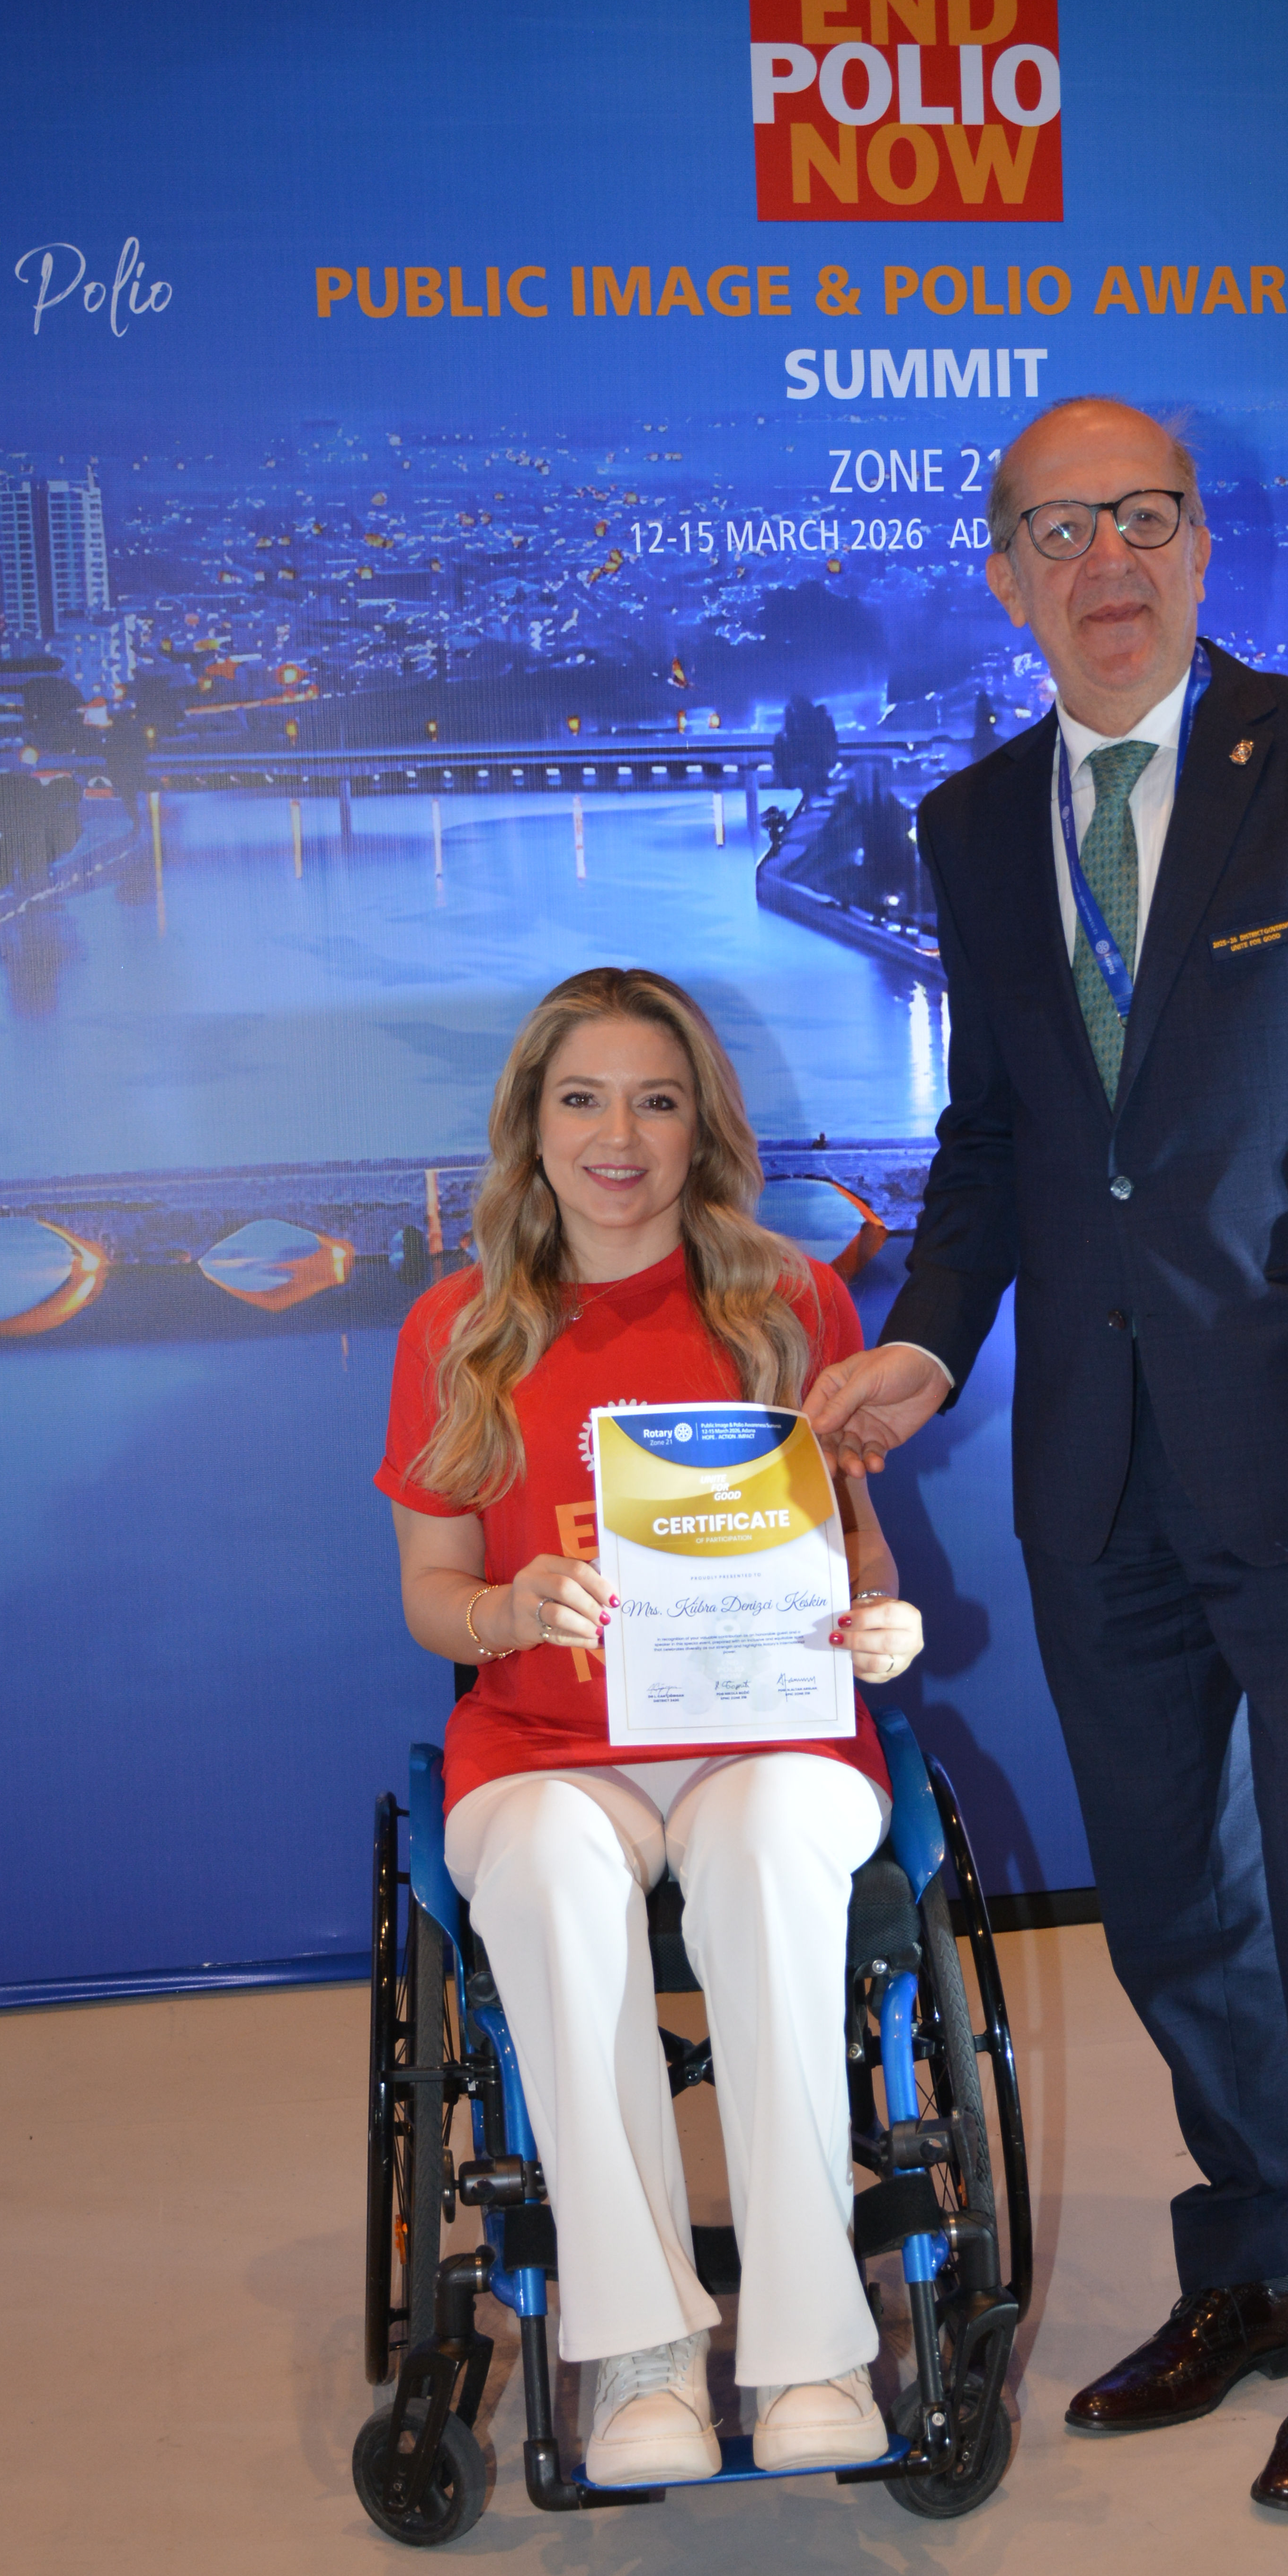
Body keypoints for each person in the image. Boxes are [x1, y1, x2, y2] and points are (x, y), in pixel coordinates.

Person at [804, 398, 1288, 2514]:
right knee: (1177, 1896)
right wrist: (927, 1341)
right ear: (1003, 577)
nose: (1107, 561)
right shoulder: (971, 820)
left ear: (1199, 549)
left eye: (1143, 519)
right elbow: (1000, 1140)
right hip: (1093, 1461)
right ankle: (1253, 2262)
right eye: (1059, 530)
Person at [375, 966, 924, 2487]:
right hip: (548, 1747)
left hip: (773, 1739)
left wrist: (882, 1617)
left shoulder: (790, 1302)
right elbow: (430, 1594)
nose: (618, 1137)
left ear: (702, 1128)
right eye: (583, 1100)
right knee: (549, 1869)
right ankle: (641, 2352)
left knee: (764, 1844)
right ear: (531, 1126)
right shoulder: (457, 1328)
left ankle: (814, 2348)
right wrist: (507, 1608)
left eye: (657, 1101)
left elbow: (860, 1547)